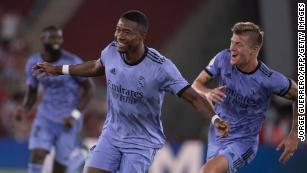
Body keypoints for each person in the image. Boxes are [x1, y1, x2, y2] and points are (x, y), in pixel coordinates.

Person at [31, 10, 229, 173]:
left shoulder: (161, 68)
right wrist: (59, 69)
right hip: (112, 134)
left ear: (142, 36)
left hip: (141, 141)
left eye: (126, 32)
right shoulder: (111, 51)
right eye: (118, 30)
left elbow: (193, 97)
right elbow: (96, 67)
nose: (119, 36)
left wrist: (215, 120)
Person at [192, 22, 299, 173]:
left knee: (208, 171)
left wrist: (295, 134)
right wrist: (208, 92)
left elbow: (301, 96)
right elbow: (196, 84)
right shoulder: (223, 58)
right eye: (232, 42)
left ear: (254, 50)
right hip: (217, 134)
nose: (232, 48)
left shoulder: (268, 79)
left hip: (243, 143)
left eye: (239, 44)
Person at [14, 25, 94, 173]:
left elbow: (90, 90)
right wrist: (24, 108)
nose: (56, 40)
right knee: (37, 155)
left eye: (59, 37)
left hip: (68, 120)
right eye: (52, 37)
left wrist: (74, 115)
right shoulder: (33, 62)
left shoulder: (72, 61)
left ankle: (80, 155)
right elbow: (32, 93)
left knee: (59, 169)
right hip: (45, 117)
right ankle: (78, 155)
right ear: (43, 39)